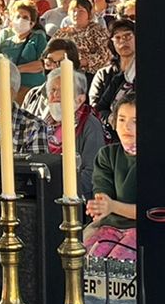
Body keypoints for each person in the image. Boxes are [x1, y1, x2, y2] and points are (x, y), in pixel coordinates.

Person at [87, 93, 139, 261]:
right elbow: (102, 192)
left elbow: (151, 211)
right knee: (86, 261)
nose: (127, 127)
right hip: (110, 225)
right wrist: (100, 207)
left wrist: (112, 207)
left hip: (140, 229)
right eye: (122, 120)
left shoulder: (156, 158)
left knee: (116, 266)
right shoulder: (108, 154)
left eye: (135, 121)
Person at [43, 63, 105, 188]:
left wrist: (57, 190)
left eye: (63, 90)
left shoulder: (90, 125)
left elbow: (92, 173)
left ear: (80, 99)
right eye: (53, 90)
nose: (56, 95)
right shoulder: (43, 124)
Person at [89, 17, 137, 137]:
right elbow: (96, 108)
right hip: (109, 133)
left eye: (128, 36)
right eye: (118, 38)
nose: (123, 41)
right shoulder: (104, 74)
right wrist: (111, 119)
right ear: (112, 43)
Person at [0, 0, 49, 92]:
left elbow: (42, 64)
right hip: (8, 88)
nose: (20, 20)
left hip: (30, 88)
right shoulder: (5, 42)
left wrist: (15, 69)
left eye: (25, 17)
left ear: (32, 23)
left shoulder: (38, 38)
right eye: (18, 16)